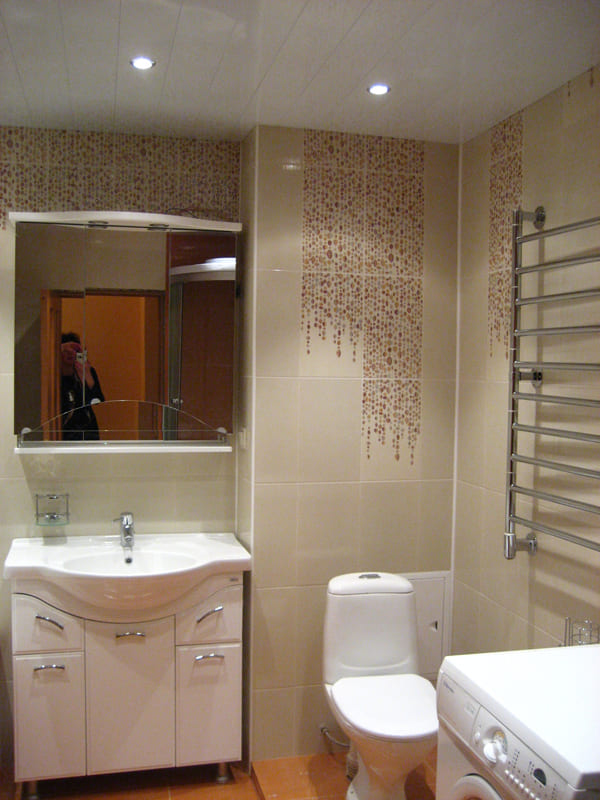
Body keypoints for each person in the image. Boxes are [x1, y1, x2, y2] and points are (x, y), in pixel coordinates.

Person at [60, 332, 104, 440]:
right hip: (65, 433)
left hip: (88, 431)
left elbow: (97, 400)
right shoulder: (53, 378)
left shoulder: (86, 371)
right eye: (66, 351)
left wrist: (86, 375)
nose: (70, 354)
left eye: (75, 351)